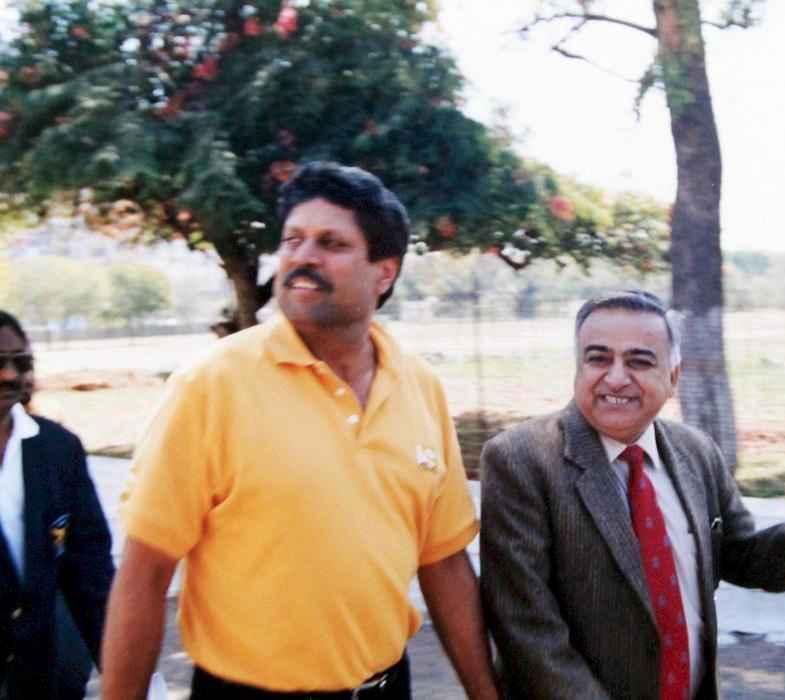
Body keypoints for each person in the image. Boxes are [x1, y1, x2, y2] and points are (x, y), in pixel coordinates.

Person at [101, 162, 498, 700]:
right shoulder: (212, 385)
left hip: (386, 688)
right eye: (293, 240)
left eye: (331, 243)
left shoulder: (419, 386)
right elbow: (145, 572)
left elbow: (444, 561)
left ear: (384, 272)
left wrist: (485, 692)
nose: (303, 256)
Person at [479, 290, 785, 700]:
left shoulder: (697, 452)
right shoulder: (521, 460)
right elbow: (526, 628)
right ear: (578, 367)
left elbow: (740, 554)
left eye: (639, 361)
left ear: (673, 378)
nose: (616, 377)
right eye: (599, 359)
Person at [0, 310, 115, 699]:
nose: (10, 375)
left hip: (43, 679)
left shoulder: (58, 449)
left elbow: (92, 577)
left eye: (21, 362)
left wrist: (135, 679)